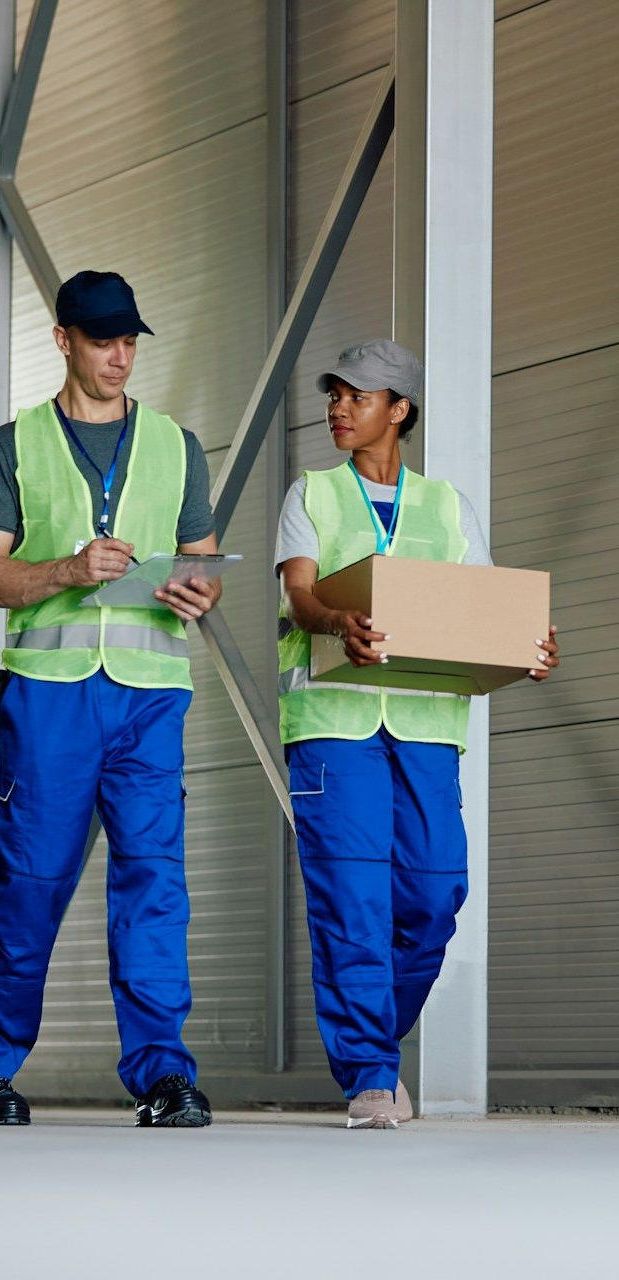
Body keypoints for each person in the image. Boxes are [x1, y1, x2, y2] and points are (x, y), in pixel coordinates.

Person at [275, 339, 559, 1129]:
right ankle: (368, 1073)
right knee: (352, 902)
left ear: (397, 410)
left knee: (434, 896)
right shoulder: (313, 495)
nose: (337, 407)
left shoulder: (445, 506)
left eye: (356, 396)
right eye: (334, 393)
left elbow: (483, 610)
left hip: (427, 727)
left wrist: (527, 645)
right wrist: (337, 621)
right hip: (334, 727)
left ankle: (373, 1030)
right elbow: (300, 596)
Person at [0, 270, 220, 1127]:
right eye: (103, 340)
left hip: (149, 697)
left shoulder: (176, 446)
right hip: (50, 700)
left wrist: (196, 592)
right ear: (63, 339)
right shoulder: (12, 446)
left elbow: (202, 561)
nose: (120, 356)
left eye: (130, 341)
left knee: (154, 881)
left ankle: (162, 1076)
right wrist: (68, 570)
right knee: (28, 882)